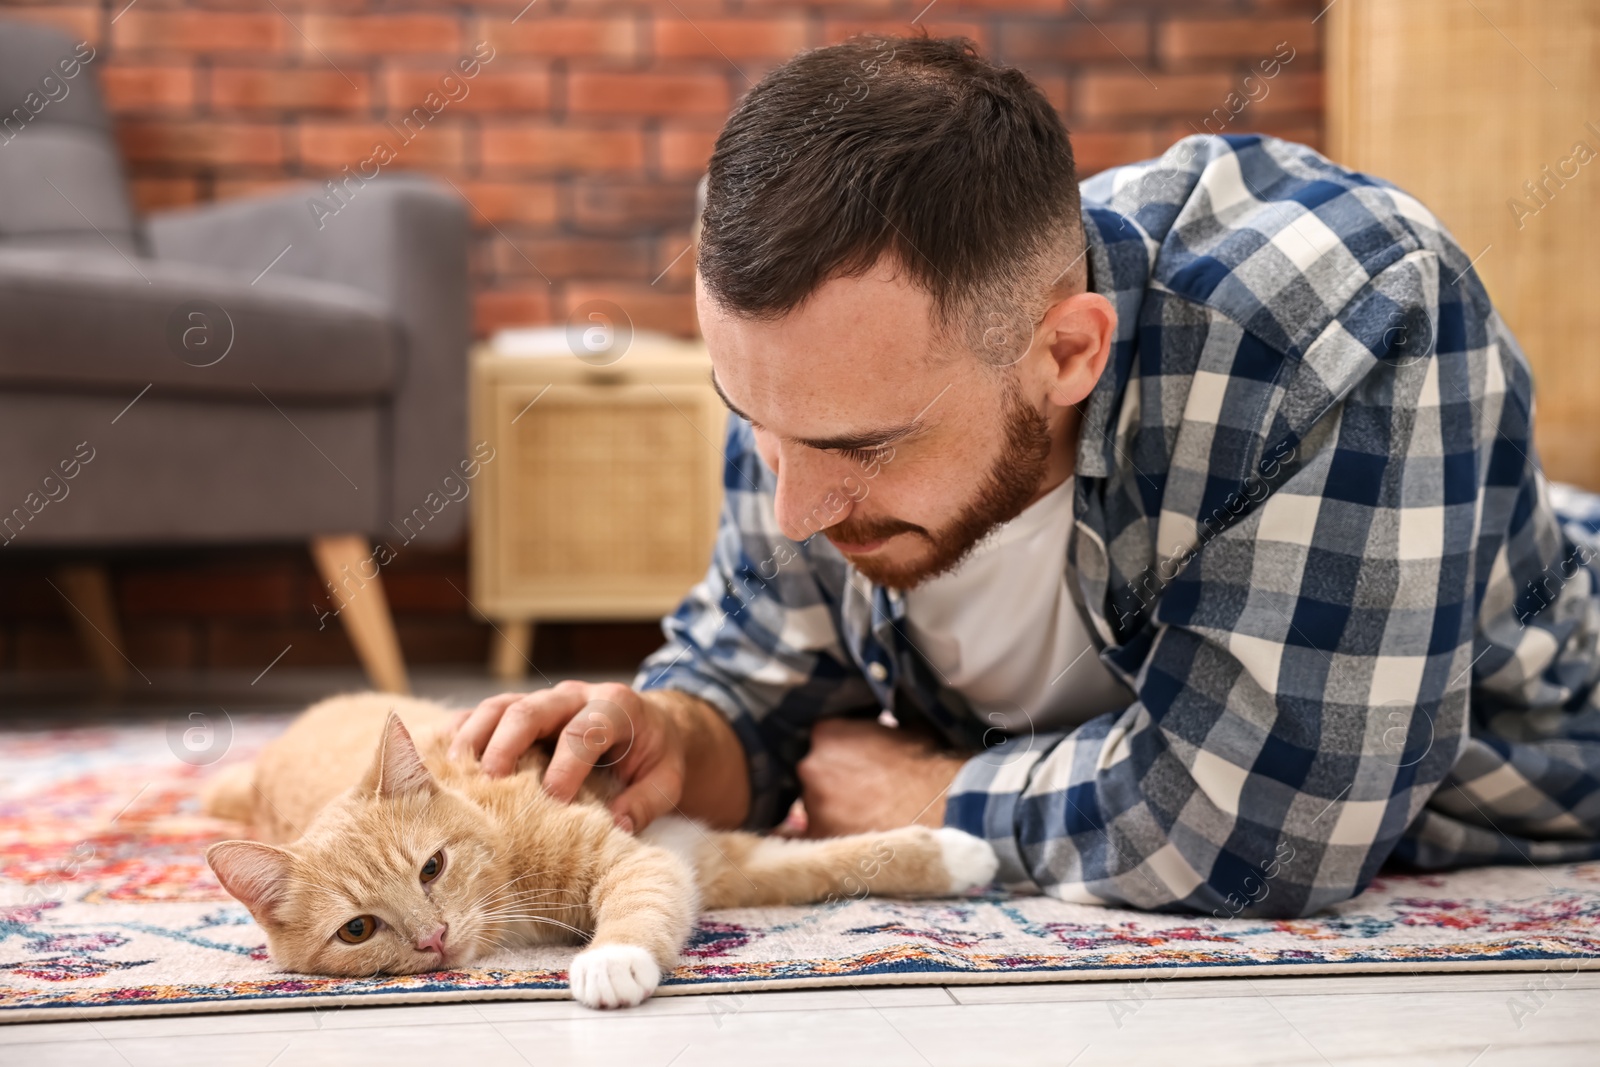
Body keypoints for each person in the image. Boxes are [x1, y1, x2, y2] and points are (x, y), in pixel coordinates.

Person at [450, 34, 1600, 919]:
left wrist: (933, 797)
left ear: (1068, 352)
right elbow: (757, 686)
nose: (793, 506)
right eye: (752, 420)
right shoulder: (819, 378)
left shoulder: (1345, 309)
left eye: (862, 448)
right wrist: (667, 734)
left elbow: (1265, 829)